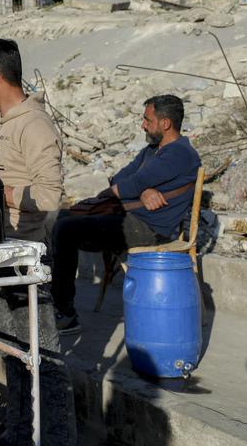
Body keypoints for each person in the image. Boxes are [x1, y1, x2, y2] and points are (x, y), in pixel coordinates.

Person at [0, 38, 81, 446]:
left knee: (46, 360)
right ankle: (19, 438)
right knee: (11, 352)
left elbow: (50, 197)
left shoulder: (35, 125)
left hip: (26, 257)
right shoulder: (0, 124)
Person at [50, 94, 201, 333]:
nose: (143, 125)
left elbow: (129, 185)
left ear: (165, 123)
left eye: (147, 120)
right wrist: (142, 192)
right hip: (130, 218)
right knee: (61, 219)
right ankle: (54, 301)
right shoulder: (152, 151)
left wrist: (136, 188)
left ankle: (65, 313)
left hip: (149, 230)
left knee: (65, 229)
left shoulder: (180, 153)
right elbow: (120, 178)